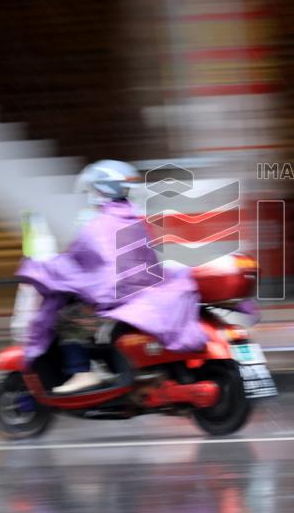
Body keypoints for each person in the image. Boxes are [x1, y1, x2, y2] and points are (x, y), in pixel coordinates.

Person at [16, 160, 207, 394]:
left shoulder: (96, 225)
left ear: (99, 190)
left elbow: (76, 264)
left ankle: (82, 373)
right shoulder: (136, 221)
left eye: (91, 190)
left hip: (116, 299)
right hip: (144, 295)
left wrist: (41, 267)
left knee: (68, 317)